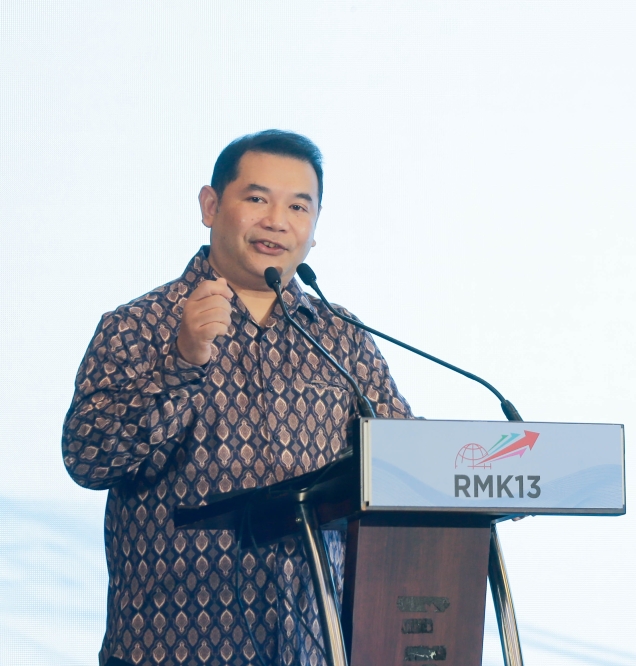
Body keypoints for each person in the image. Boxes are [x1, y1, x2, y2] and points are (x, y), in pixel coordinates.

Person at [62, 130, 412, 666]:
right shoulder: (137, 326)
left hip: (313, 650)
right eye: (257, 199)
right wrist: (180, 362)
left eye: (298, 206)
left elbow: (404, 461)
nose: (277, 220)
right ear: (210, 205)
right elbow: (88, 459)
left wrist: (478, 475)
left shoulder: (340, 336)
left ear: (314, 230)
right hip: (170, 650)